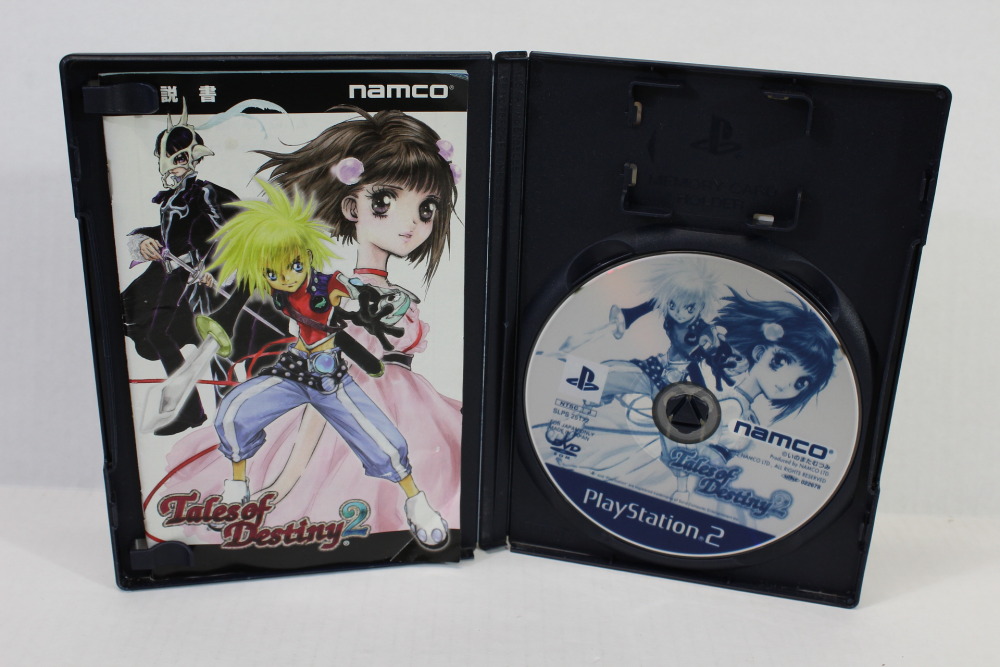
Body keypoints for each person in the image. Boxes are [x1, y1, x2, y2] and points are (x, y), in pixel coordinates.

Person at [245, 107, 463, 536]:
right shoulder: (340, 297)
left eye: (426, 208)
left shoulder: (379, 294)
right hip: (357, 407)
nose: (411, 223)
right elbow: (324, 392)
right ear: (351, 206)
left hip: (409, 409)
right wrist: (288, 478)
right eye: (384, 202)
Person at [206, 180, 449, 548]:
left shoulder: (327, 284)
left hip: (328, 378)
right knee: (234, 411)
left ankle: (418, 503)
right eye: (273, 273)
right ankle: (237, 486)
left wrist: (370, 304)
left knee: (383, 441)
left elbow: (352, 292)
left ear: (306, 254)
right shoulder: (276, 286)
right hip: (292, 371)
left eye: (294, 266)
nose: (287, 277)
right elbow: (245, 283)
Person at [121, 105, 235, 435]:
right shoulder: (172, 198)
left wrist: (213, 268)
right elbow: (167, 234)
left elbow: (229, 232)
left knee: (214, 344)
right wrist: (143, 241)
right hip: (174, 275)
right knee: (158, 334)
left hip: (201, 278)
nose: (175, 165)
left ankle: (224, 417)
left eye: (182, 157)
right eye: (170, 157)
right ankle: (189, 412)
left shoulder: (206, 192)